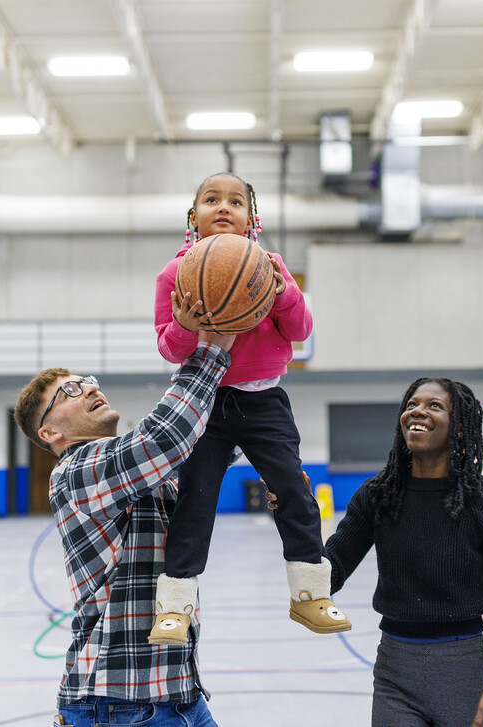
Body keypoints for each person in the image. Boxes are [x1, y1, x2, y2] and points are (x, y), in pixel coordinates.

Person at [149, 171, 348, 645]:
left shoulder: (272, 267)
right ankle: (174, 607)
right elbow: (169, 350)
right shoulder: (175, 274)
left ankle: (310, 594)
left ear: (251, 219)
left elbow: (300, 331)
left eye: (235, 201)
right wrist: (183, 325)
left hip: (263, 398)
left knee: (295, 492)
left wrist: (283, 293)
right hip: (202, 400)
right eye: (211, 199)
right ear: (192, 217)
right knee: (194, 503)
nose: (223, 207)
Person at [13, 330, 235, 727]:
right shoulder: (75, 471)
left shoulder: (139, 474)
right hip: (118, 706)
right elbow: (165, 438)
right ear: (49, 433)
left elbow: (206, 450)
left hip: (178, 694)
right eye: (70, 391)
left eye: (88, 381)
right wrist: (211, 349)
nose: (89, 389)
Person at [321, 377, 483, 727]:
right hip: (394, 670)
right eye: (411, 404)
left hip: (464, 672)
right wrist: (294, 511)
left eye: (434, 405)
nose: (417, 410)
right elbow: (328, 575)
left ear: (461, 429)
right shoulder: (378, 496)